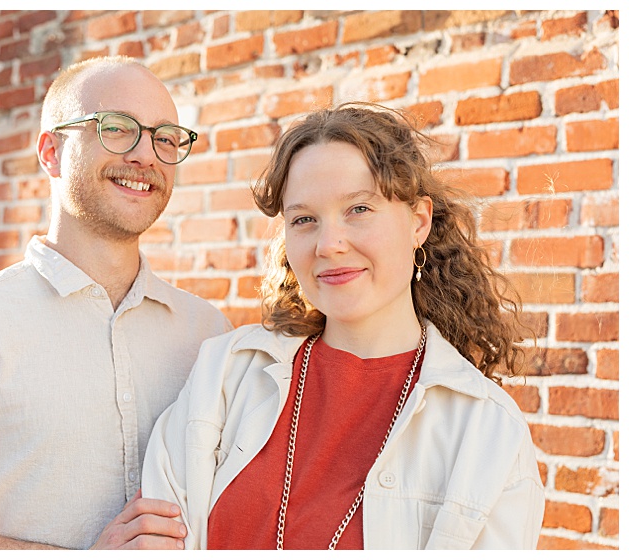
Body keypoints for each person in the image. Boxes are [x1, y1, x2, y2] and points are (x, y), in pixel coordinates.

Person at [0, 56, 231, 550]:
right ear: (51, 152)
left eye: (165, 137)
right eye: (116, 128)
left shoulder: (209, 334)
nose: (147, 154)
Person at [142, 103, 545, 549]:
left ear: (419, 222)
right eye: (304, 219)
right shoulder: (225, 373)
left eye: (358, 209)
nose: (329, 245)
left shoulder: (488, 431)